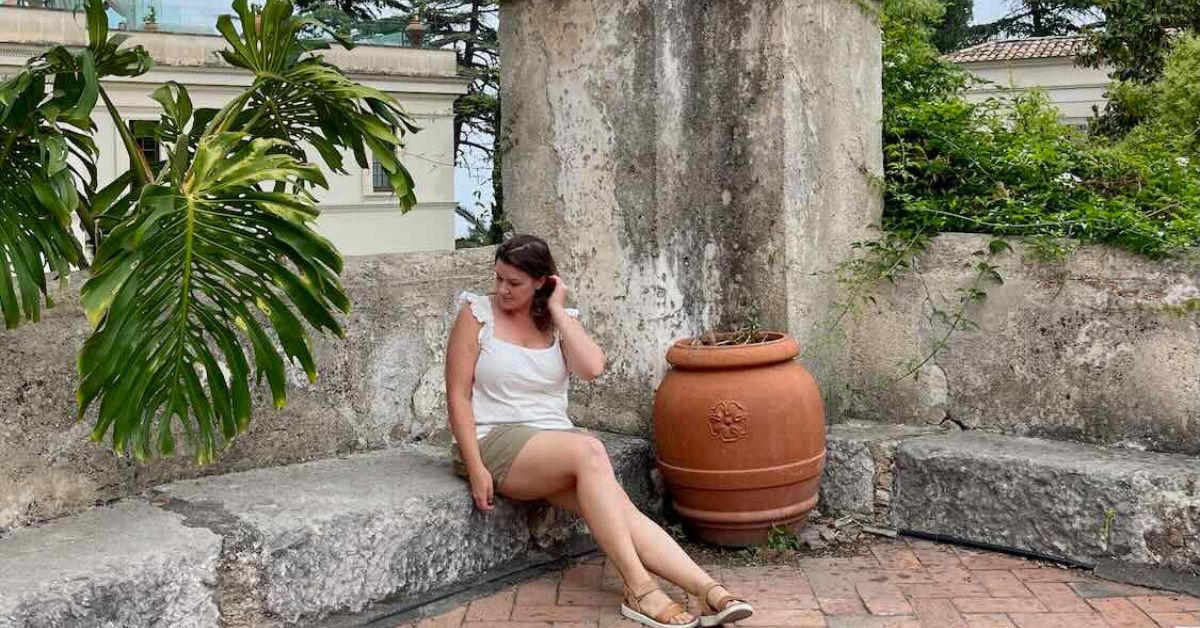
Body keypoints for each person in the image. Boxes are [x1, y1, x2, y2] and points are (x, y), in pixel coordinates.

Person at [445, 234, 754, 628]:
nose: (503, 289)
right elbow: (457, 395)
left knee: (622, 511)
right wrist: (476, 467)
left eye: (514, 283)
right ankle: (639, 588)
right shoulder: (476, 314)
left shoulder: (559, 321)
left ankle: (707, 589)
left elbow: (592, 368)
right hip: (493, 439)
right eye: (499, 278)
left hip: (553, 444)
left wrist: (558, 311)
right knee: (589, 449)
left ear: (541, 282)